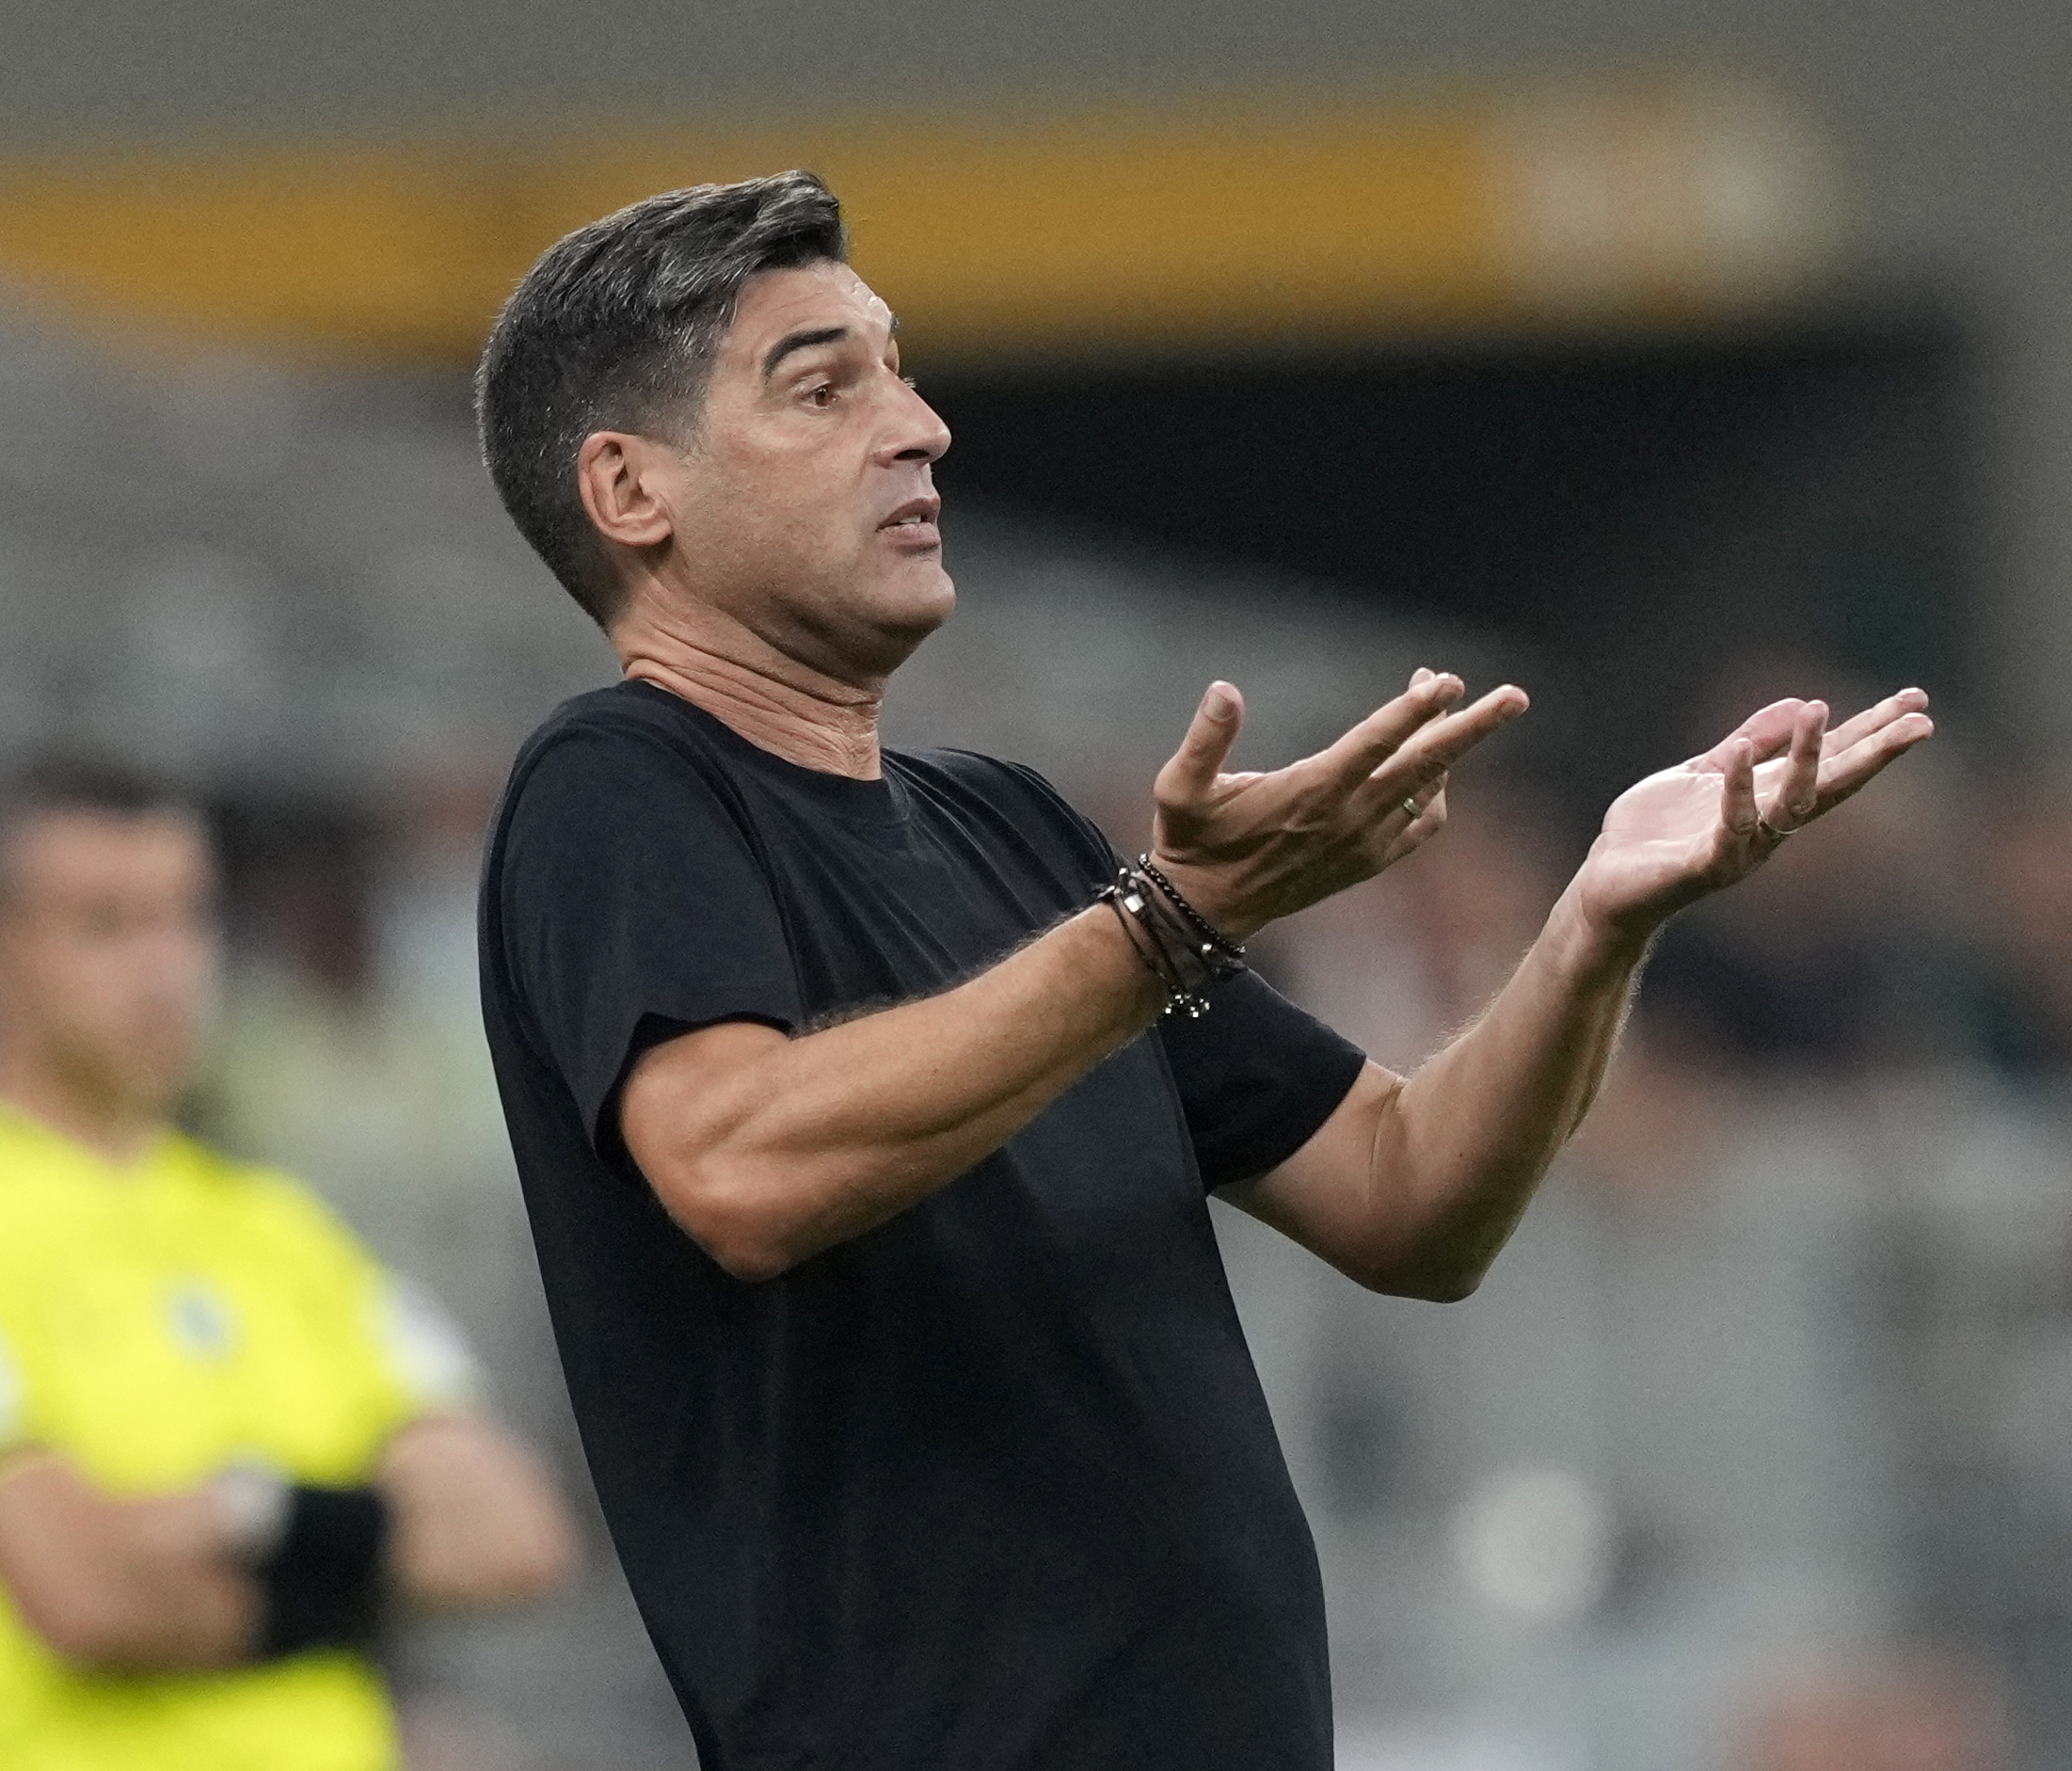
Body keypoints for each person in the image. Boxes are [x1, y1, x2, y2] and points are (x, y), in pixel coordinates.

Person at [470, 170, 1933, 1771]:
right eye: (821, 389)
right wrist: (1166, 922)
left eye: (898, 372)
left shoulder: (1010, 830)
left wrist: (1595, 926)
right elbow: (739, 1164)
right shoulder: (615, 785)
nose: (918, 428)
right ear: (631, 488)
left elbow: (1406, 1195)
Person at [0, 765, 578, 1771]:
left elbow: (516, 1535)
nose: (165, 966)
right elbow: (87, 1596)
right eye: (106, 925)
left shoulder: (280, 1227)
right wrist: (358, 1564)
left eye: (187, 917)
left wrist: (240, 1512)